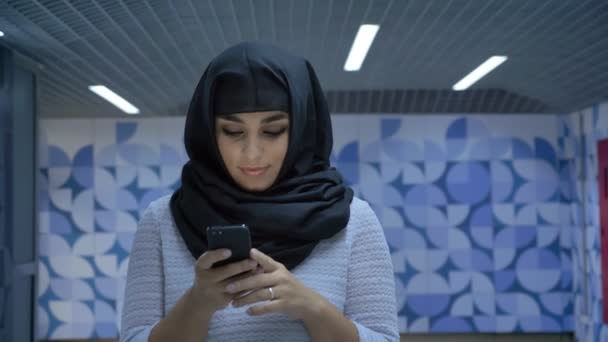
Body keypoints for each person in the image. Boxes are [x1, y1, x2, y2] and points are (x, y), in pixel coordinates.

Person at [119, 41, 398, 342]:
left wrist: (313, 307)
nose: (252, 153)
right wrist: (197, 304)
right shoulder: (162, 221)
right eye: (233, 131)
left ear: (303, 127)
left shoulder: (354, 220)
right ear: (208, 132)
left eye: (273, 130)